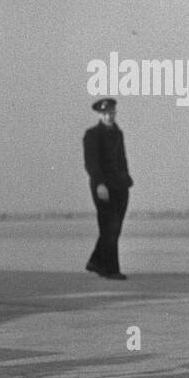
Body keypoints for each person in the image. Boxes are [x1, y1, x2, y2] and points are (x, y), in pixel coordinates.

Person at [83, 98, 132, 280]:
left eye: (112, 112)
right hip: (103, 187)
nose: (109, 116)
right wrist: (100, 184)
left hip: (120, 186)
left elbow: (122, 158)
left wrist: (126, 179)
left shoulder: (118, 134)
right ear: (99, 115)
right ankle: (111, 270)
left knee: (114, 228)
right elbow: (92, 163)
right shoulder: (92, 135)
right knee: (109, 227)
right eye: (105, 113)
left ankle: (95, 262)